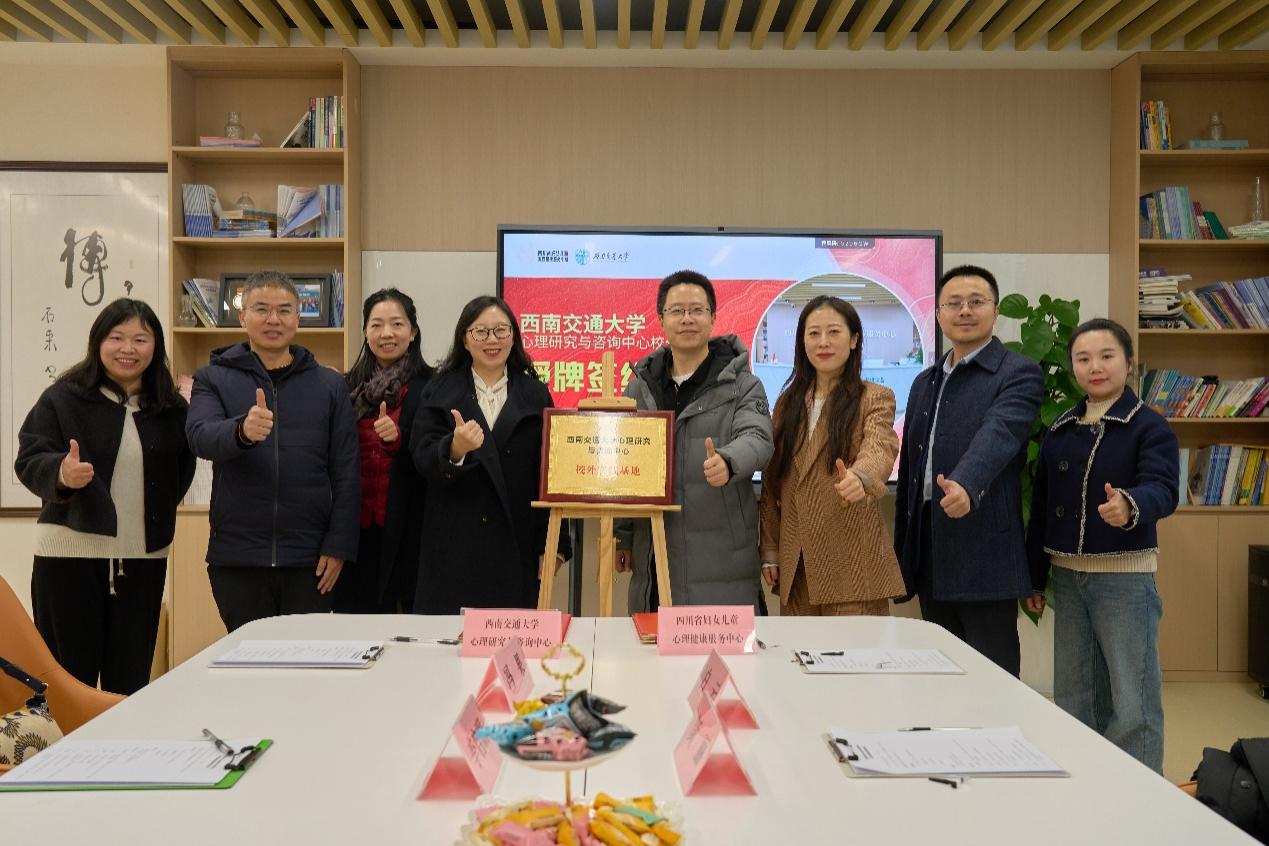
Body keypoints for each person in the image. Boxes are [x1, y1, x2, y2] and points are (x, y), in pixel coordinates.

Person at [15, 298, 194, 694]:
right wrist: (61, 473)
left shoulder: (171, 409)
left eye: (140, 339)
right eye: (116, 337)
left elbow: (180, 473)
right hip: (68, 558)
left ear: (156, 346)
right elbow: (29, 458)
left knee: (129, 684)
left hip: (143, 560)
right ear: (98, 341)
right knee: (67, 683)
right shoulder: (63, 397)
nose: (128, 349)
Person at [1027, 318, 1178, 773]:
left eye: (1107, 356)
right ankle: (1087, 780)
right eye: (1083, 358)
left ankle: (1139, 792)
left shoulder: (1149, 426)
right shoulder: (1060, 429)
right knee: (1075, 694)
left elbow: (1163, 489)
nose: (1095, 367)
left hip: (1124, 580)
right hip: (1067, 578)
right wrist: (1034, 577)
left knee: (1133, 701)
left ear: (1129, 363)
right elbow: (1042, 508)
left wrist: (1130, 504)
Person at [186, 270, 359, 632]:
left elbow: (346, 471)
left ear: (298, 318)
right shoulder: (212, 378)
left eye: (284, 310)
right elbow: (200, 436)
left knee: (306, 660)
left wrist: (339, 545)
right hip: (238, 558)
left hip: (310, 560)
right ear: (242, 317)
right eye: (261, 309)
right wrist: (241, 431)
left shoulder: (330, 385)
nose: (273, 319)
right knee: (249, 661)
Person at [893, 264, 1043, 676]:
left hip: (984, 552)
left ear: (996, 310)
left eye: (976, 302)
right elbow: (911, 472)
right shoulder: (924, 381)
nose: (964, 311)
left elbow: (1000, 433)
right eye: (953, 303)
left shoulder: (1017, 372)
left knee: (992, 676)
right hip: (930, 549)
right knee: (941, 673)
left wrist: (965, 482)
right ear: (938, 314)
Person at [615, 270, 774, 610]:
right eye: (677, 310)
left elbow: (758, 437)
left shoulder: (742, 385)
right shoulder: (640, 387)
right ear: (661, 319)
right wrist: (624, 534)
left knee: (720, 646)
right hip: (654, 556)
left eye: (697, 310)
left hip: (722, 560)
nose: (687, 318)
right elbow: (626, 463)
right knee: (653, 642)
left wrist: (729, 460)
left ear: (713, 317)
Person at [409, 295, 564, 613]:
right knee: (451, 640)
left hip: (516, 544)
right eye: (480, 332)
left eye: (501, 330)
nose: (492, 340)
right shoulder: (439, 390)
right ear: (465, 340)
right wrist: (454, 448)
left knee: (512, 640)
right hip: (453, 548)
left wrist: (554, 546)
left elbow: (552, 474)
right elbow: (421, 458)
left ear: (513, 337)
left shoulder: (536, 394)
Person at [759, 296, 905, 615]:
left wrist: (861, 477)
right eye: (813, 333)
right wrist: (770, 549)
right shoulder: (787, 403)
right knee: (796, 648)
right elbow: (771, 482)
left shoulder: (874, 397)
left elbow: (880, 445)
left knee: (855, 649)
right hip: (796, 564)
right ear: (802, 342)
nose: (823, 342)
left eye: (834, 332)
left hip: (851, 563)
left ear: (854, 340)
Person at [334, 288, 434, 614]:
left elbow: (437, 450)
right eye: (376, 325)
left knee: (413, 628)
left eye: (397, 324)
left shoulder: (433, 386)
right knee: (358, 624)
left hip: (411, 528)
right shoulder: (345, 388)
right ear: (365, 332)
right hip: (356, 528)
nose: (386, 333)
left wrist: (399, 439)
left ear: (413, 331)